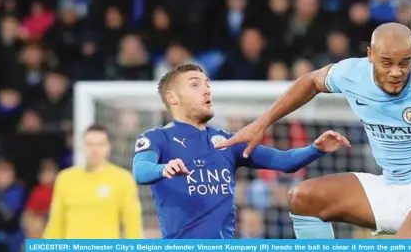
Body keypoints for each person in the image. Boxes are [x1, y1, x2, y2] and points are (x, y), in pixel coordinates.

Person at [218, 22, 411, 239]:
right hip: (392, 187)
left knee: (409, 243)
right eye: (387, 62)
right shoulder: (351, 74)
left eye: (405, 63)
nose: (396, 72)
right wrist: (262, 123)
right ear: (370, 55)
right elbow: (311, 82)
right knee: (303, 198)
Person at [131, 64, 350, 239]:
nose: (207, 89)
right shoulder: (157, 138)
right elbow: (141, 171)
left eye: (207, 83)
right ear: (172, 98)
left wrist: (315, 148)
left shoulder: (227, 141)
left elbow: (283, 161)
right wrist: (164, 169)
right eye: (195, 85)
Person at [43, 125, 143, 239]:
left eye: (100, 144)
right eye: (90, 144)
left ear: (108, 147)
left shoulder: (123, 179)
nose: (94, 150)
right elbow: (56, 222)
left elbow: (132, 224)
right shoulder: (65, 179)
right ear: (82, 146)